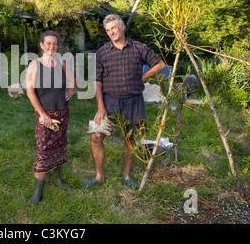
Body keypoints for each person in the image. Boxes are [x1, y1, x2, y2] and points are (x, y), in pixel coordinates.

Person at [84, 14, 166, 190]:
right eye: (108, 30)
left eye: (113, 28)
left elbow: (160, 65)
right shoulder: (102, 53)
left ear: (122, 28)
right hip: (109, 102)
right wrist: (100, 107)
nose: (111, 32)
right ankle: (99, 176)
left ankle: (126, 175)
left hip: (134, 102)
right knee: (96, 136)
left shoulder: (138, 48)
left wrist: (142, 77)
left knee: (130, 140)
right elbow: (97, 81)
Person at [25, 30, 75, 205]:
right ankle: (37, 191)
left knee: (60, 146)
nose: (51, 47)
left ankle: (57, 179)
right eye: (48, 43)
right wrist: (43, 114)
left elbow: (72, 82)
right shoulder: (35, 65)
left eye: (54, 43)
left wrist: (70, 90)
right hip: (44, 115)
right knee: (44, 150)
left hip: (62, 112)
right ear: (41, 45)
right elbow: (30, 92)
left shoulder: (61, 63)